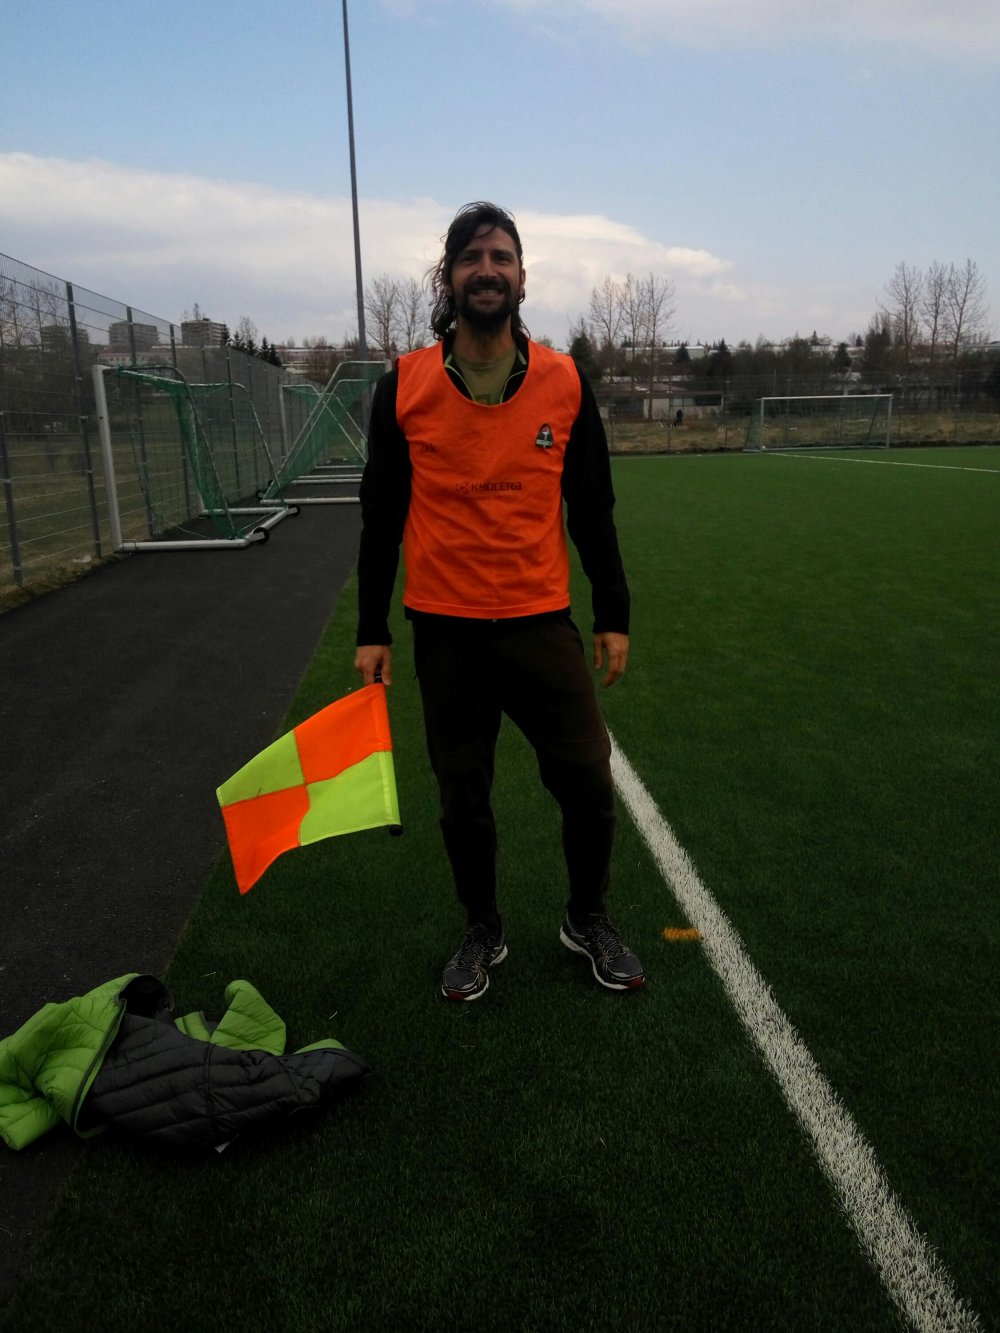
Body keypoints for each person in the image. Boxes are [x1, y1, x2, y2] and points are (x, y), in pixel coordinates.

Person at [354, 201, 644, 1002]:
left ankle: (587, 916)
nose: (487, 270)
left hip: (539, 622)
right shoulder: (404, 385)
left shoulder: (564, 380)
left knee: (587, 780)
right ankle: (482, 926)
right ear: (448, 277)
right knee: (461, 796)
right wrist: (372, 626)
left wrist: (613, 612)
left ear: (522, 277)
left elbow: (592, 507)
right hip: (445, 631)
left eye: (501, 257)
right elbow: (381, 515)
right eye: (471, 257)